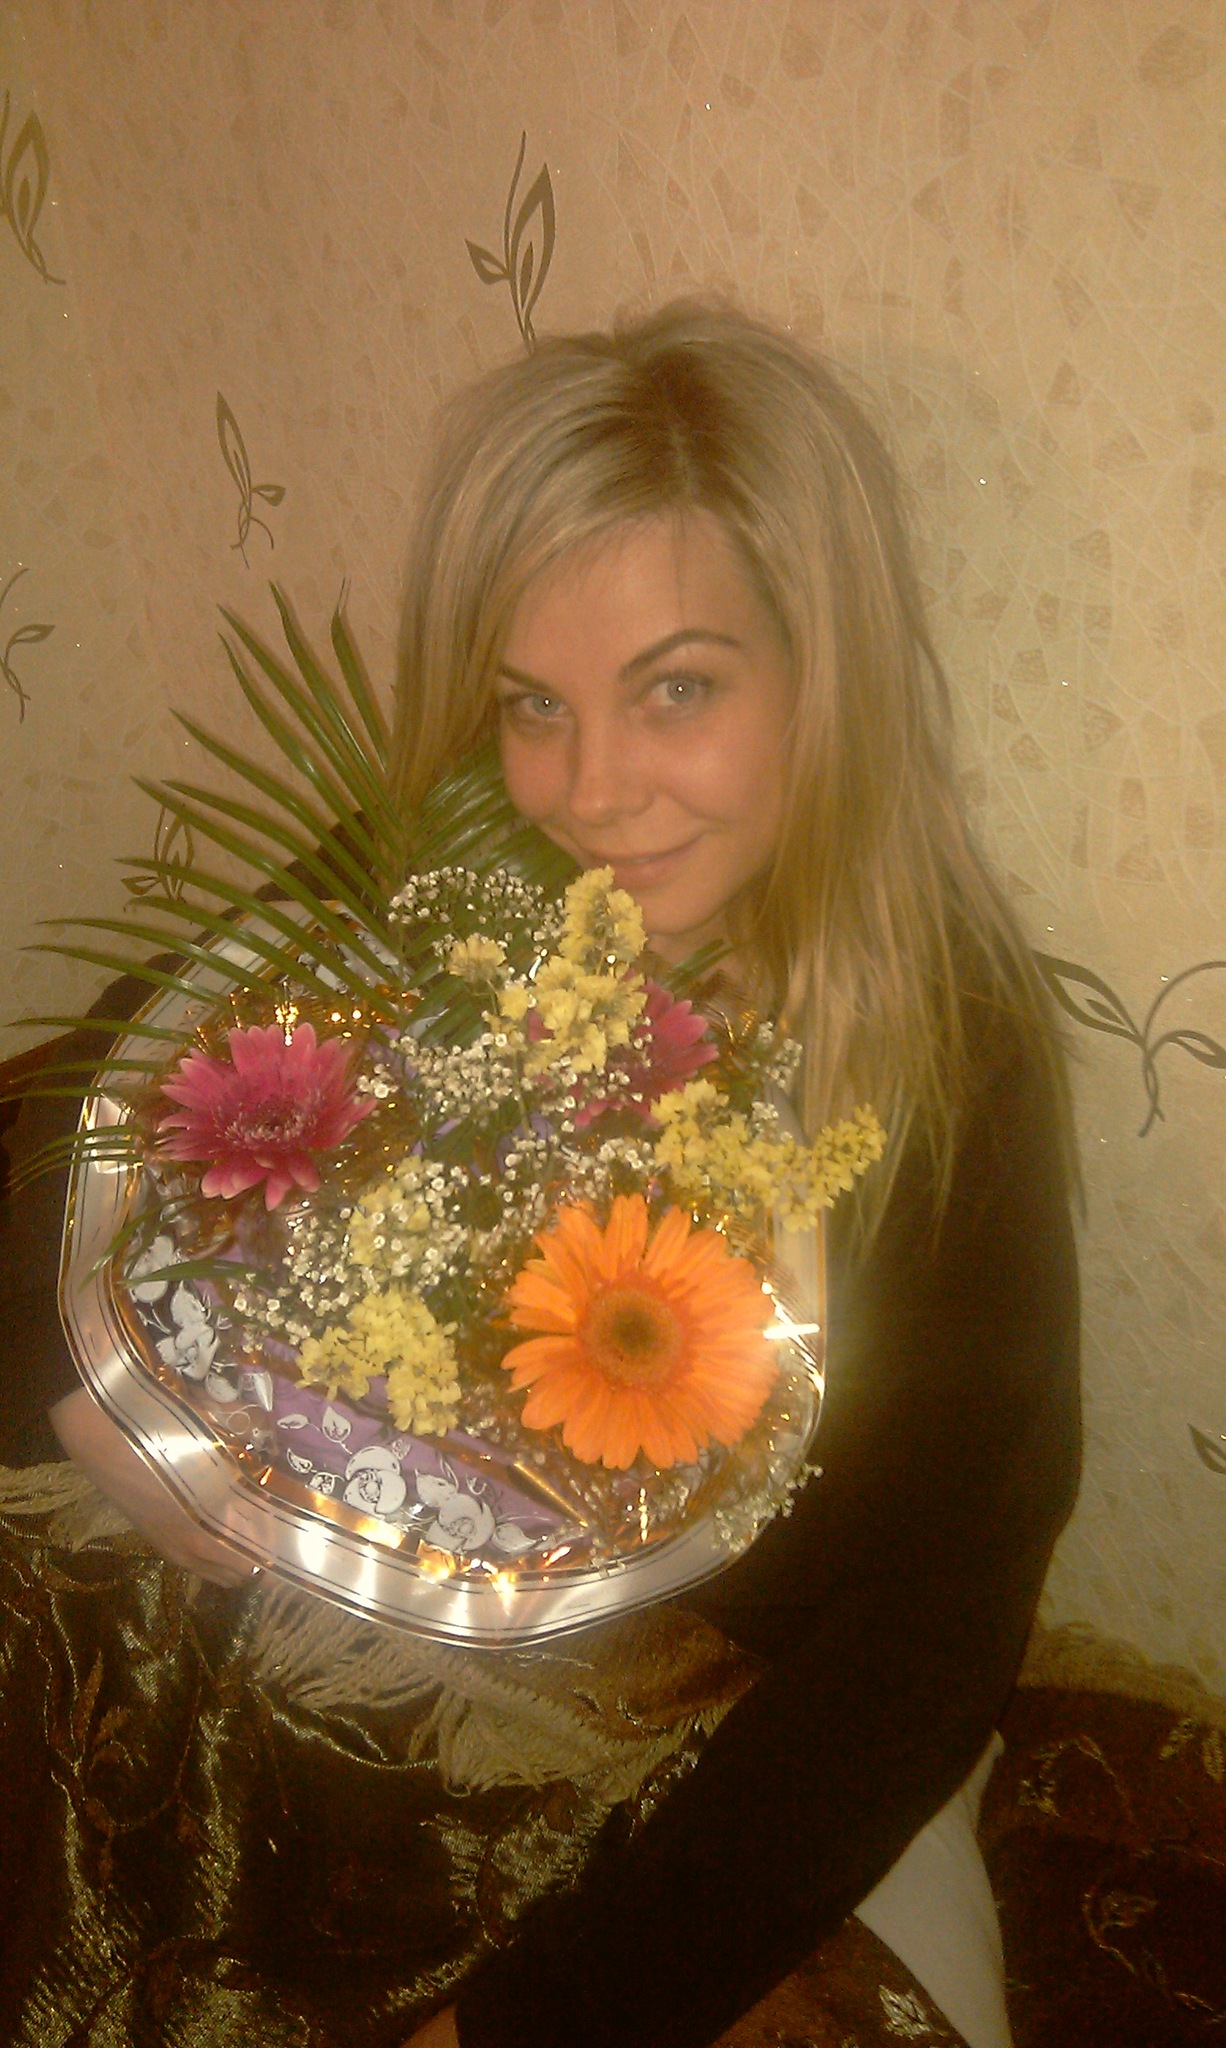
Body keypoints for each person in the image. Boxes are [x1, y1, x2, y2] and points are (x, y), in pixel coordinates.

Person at [0, 299, 1080, 2048]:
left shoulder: (945, 1056)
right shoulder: (463, 861)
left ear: (826, 675)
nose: (589, 793)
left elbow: (929, 1633)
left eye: (677, 690)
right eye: (531, 704)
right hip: (327, 1628)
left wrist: (536, 2023)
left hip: (694, 1744)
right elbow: (128, 1063)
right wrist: (70, 1379)